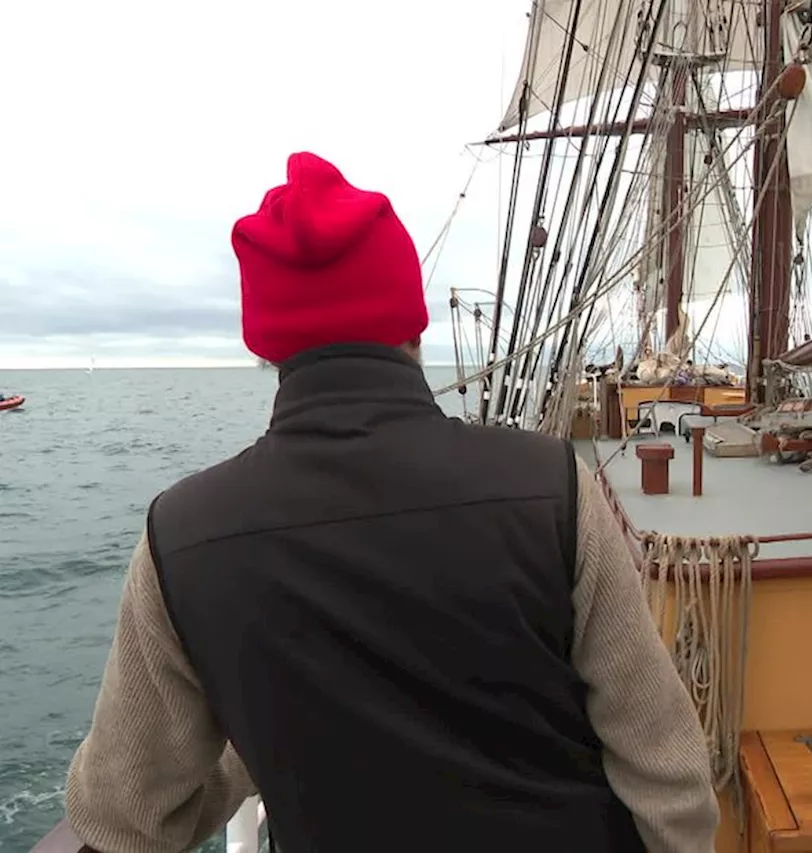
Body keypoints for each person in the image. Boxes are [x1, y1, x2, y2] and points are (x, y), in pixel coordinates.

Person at [63, 152, 718, 852]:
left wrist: (254, 730)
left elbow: (122, 815)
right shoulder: (553, 488)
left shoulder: (183, 539)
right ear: (413, 326)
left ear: (267, 346)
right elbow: (668, 778)